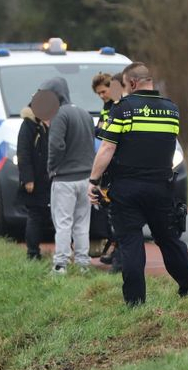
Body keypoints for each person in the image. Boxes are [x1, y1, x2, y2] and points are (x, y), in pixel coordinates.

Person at [88, 62, 188, 305]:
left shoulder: (123, 109)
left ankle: (135, 302)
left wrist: (94, 180)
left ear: (131, 83)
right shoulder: (172, 110)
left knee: (131, 242)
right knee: (169, 240)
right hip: (161, 188)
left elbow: (108, 147)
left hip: (127, 188)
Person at [42, 77, 96, 275]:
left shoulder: (58, 115)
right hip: (86, 177)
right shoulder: (84, 113)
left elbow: (56, 145)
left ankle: (60, 265)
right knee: (82, 223)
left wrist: (51, 168)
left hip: (64, 178)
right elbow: (92, 142)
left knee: (63, 223)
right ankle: (83, 264)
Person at [91, 72, 126, 271]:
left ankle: (119, 257)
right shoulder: (107, 106)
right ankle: (115, 251)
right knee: (111, 212)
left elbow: (106, 132)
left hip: (120, 165)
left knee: (120, 214)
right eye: (99, 94)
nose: (102, 96)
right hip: (110, 166)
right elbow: (100, 130)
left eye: (103, 91)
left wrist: (103, 131)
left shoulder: (119, 106)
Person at [16, 97, 52, 260]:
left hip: (47, 178)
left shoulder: (44, 124)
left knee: (44, 214)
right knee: (35, 215)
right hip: (35, 179)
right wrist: (28, 178)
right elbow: (23, 152)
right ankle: (32, 252)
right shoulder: (29, 125)